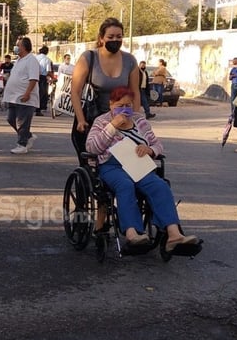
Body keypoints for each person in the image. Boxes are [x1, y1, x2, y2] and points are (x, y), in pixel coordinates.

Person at [85, 86, 198, 251]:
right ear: (111, 104)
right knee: (125, 185)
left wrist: (150, 150)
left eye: (128, 105)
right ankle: (132, 233)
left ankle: (174, 234)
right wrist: (112, 126)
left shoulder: (140, 121)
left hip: (138, 165)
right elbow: (92, 148)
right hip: (112, 166)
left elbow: (157, 144)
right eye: (120, 105)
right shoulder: (102, 121)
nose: (125, 109)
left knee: (160, 185)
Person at [69, 18, 141, 162]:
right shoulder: (89, 58)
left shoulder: (129, 60)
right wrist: (81, 120)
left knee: (124, 162)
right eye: (111, 37)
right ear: (101, 39)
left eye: (119, 37)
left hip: (120, 119)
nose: (115, 40)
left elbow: (135, 92)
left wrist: (137, 117)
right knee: (91, 163)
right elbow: (75, 92)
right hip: (92, 119)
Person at [2, 37, 40, 154]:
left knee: (22, 121)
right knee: (11, 119)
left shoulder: (31, 60)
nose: (16, 47)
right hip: (13, 97)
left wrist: (27, 93)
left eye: (18, 45)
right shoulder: (19, 60)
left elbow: (33, 79)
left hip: (24, 97)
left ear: (23, 47)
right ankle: (27, 136)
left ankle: (22, 144)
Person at [35, 45, 54, 116]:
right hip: (42, 78)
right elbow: (48, 71)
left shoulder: (35, 57)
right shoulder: (47, 59)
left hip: (34, 77)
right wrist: (53, 78)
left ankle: (33, 108)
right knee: (42, 93)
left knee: (35, 93)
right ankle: (38, 109)